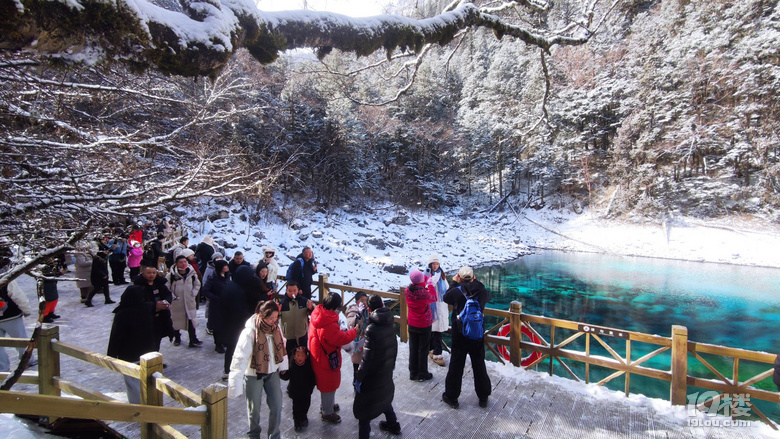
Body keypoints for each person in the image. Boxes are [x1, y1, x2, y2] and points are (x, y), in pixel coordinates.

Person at [228, 300, 288, 439]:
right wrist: (234, 386)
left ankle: (274, 435)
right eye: (271, 318)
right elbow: (239, 359)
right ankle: (254, 435)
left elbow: (281, 347)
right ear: (262, 316)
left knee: (277, 405)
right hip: (253, 374)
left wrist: (283, 366)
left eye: (276, 318)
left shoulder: (275, 329)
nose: (274, 321)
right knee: (254, 409)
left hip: (272, 372)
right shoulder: (249, 333)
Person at [441, 266, 492, 409]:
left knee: (456, 364)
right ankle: (483, 397)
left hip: (460, 334)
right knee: (479, 363)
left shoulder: (456, 291)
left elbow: (446, 297)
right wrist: (477, 283)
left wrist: (454, 283)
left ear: (460, 277)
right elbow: (489, 296)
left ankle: (451, 397)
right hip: (477, 334)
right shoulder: (481, 290)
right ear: (473, 277)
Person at [353, 294, 401, 438]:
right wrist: (391, 364)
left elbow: (367, 359)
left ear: (369, 309)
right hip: (386, 369)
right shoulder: (390, 321)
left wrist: (359, 377)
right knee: (384, 396)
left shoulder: (372, 329)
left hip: (373, 374)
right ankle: (393, 424)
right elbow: (395, 346)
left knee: (364, 409)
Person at [309, 292, 357, 424]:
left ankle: (327, 405)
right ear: (333, 308)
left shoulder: (318, 314)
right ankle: (327, 412)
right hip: (326, 359)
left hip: (319, 356)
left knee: (327, 383)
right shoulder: (328, 323)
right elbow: (341, 338)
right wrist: (355, 331)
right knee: (328, 384)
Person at [106, 285, 156, 404]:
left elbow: (116, 336)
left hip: (129, 354)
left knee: (133, 384)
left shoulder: (122, 313)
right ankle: (151, 406)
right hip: (147, 353)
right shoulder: (147, 309)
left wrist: (111, 355)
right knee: (148, 383)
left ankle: (137, 409)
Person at [220, 265, 259, 381]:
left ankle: (229, 370)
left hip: (233, 324)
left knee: (235, 348)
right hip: (236, 325)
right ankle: (230, 371)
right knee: (235, 348)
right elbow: (239, 308)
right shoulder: (237, 289)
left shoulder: (234, 285)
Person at [0, 258, 36, 372]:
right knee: (20, 339)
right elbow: (17, 295)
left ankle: (2, 367)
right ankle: (27, 360)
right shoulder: (6, 278)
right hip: (11, 315)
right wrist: (26, 310)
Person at [132, 265, 174, 353]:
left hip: (160, 318)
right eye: (149, 273)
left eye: (154, 273)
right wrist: (154, 306)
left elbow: (168, 294)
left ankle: (155, 360)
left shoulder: (159, 284)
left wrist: (166, 302)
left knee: (157, 339)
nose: (152, 275)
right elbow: (138, 303)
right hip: (146, 319)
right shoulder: (138, 287)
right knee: (146, 342)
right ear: (143, 274)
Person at [405, 270, 437, 382]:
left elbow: (417, 283)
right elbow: (434, 297)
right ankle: (422, 373)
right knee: (423, 349)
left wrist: (424, 277)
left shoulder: (407, 290)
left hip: (412, 323)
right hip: (424, 323)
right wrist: (431, 285)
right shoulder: (423, 293)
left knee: (413, 348)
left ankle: (413, 372)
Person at [167, 255, 202, 347]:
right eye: (181, 262)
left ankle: (193, 339)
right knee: (176, 321)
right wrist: (173, 297)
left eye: (185, 261)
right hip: (177, 303)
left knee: (191, 321)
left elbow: (197, 284)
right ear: (176, 264)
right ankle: (177, 338)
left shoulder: (192, 273)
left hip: (189, 301)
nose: (183, 264)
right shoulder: (171, 275)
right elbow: (167, 288)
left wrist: (193, 293)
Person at [281, 346, 316, 433]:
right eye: (298, 355)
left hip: (306, 391)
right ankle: (297, 422)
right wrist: (282, 374)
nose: (300, 358)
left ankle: (304, 416)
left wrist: (313, 384)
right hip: (296, 391)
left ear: (305, 357)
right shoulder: (292, 365)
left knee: (306, 404)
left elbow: (312, 376)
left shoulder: (308, 365)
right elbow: (287, 376)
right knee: (296, 407)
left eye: (302, 355)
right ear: (294, 356)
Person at [425, 254, 449, 367]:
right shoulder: (427, 275)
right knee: (434, 330)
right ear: (430, 264)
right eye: (433, 264)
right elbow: (424, 287)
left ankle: (434, 351)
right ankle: (436, 353)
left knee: (437, 331)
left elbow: (447, 289)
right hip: (431, 306)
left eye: (437, 264)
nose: (435, 266)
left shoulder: (442, 276)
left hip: (441, 305)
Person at [279, 280, 314, 360]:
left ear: (298, 290)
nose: (292, 293)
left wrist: (310, 309)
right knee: (289, 357)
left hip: (302, 334)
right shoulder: (283, 303)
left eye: (294, 290)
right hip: (287, 336)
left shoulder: (304, 301)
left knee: (302, 356)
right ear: (286, 290)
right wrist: (277, 312)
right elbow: (275, 318)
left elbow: (314, 313)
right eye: (289, 291)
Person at [202, 259, 230, 353]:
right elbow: (205, 290)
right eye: (224, 266)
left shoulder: (227, 276)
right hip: (216, 304)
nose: (226, 267)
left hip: (226, 303)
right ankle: (218, 344)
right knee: (217, 324)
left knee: (225, 323)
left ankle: (224, 340)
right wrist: (214, 297)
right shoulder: (213, 277)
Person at [344, 291, 369, 378]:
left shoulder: (368, 310)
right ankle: (356, 384)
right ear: (356, 302)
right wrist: (358, 314)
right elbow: (350, 324)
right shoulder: (353, 310)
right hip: (358, 342)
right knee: (357, 368)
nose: (364, 303)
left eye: (366, 300)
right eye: (362, 300)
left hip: (367, 342)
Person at [41, 258, 66, 323]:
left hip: (52, 284)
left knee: (54, 299)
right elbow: (47, 276)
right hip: (46, 285)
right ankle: (45, 316)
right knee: (49, 301)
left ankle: (50, 313)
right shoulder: (43, 267)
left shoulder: (52, 266)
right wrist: (59, 273)